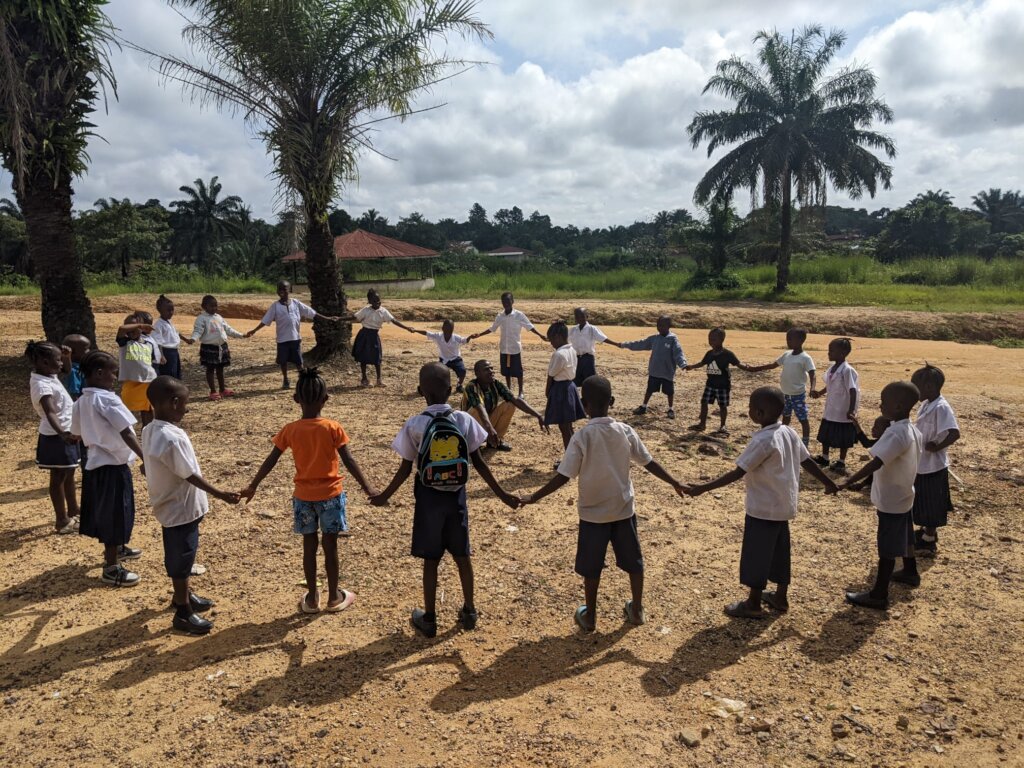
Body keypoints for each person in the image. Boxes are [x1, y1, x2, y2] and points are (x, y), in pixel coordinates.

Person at [519, 375, 686, 632]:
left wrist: (534, 497)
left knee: (592, 568)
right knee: (634, 561)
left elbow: (564, 476)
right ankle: (638, 609)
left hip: (592, 515)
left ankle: (590, 617)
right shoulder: (625, 431)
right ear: (612, 401)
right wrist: (674, 482)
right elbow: (649, 462)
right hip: (623, 510)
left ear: (584, 405)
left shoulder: (581, 437)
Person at [371, 362, 520, 638]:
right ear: (451, 390)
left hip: (428, 500)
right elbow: (479, 464)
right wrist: (503, 495)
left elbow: (405, 470)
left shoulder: (415, 424)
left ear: (420, 391)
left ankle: (429, 618)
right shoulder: (463, 420)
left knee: (431, 559)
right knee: (463, 555)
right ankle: (470, 610)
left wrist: (383, 497)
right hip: (457, 499)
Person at [682, 387, 838, 618]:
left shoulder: (764, 440)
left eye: (750, 409)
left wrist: (702, 488)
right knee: (779, 552)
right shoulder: (789, 432)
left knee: (757, 555)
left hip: (763, 509)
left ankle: (753, 603)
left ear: (760, 413)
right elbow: (807, 462)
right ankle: (780, 597)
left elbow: (738, 472)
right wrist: (828, 483)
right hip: (784, 507)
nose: (748, 412)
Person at [241, 367, 378, 613]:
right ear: (326, 399)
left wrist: (253, 485)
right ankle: (334, 597)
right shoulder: (333, 427)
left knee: (309, 545)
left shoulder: (290, 430)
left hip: (303, 497)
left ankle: (313, 598)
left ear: (296, 399)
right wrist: (368, 487)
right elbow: (349, 461)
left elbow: (271, 459)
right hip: (331, 495)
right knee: (331, 545)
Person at [142, 376, 241, 634]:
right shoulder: (169, 438)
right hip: (179, 508)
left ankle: (182, 595)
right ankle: (183, 613)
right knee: (181, 557)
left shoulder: (151, 429)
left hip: (172, 505)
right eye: (184, 403)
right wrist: (221, 493)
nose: (186, 408)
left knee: (185, 553)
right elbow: (189, 474)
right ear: (174, 403)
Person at [840, 381, 923, 609]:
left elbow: (876, 462)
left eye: (883, 402)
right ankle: (910, 571)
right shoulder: (911, 429)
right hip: (904, 493)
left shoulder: (896, 433)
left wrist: (848, 480)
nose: (880, 405)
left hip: (892, 499)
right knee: (906, 535)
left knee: (887, 547)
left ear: (897, 406)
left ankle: (878, 594)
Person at [71, 350, 146, 587]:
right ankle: (111, 567)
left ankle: (119, 548)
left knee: (110, 511)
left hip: (94, 465)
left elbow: (76, 433)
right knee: (116, 513)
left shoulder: (81, 401)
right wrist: (146, 458)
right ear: (100, 373)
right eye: (113, 373)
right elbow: (126, 430)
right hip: (113, 466)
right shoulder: (108, 399)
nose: (115, 378)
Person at [27, 341, 82, 534]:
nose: (60, 364)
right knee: (58, 477)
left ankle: (74, 509)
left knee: (69, 472)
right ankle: (61, 520)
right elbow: (50, 412)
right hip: (56, 436)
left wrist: (66, 358)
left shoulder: (48, 375)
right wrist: (63, 434)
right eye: (57, 360)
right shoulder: (41, 384)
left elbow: (66, 371)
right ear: (43, 362)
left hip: (66, 432)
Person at [246, 280, 342, 389]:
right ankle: (286, 379)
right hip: (282, 340)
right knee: (283, 361)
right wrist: (254, 330)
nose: (281, 291)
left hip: (295, 338)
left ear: (289, 290)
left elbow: (311, 312)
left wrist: (328, 318)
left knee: (298, 361)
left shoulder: (296, 303)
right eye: (279, 289)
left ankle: (302, 379)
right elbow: (265, 320)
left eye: (284, 289)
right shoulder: (275, 306)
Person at [910, 364, 960, 556]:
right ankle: (925, 532)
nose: (915, 391)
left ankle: (929, 541)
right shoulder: (926, 404)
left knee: (932, 503)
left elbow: (954, 433)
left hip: (934, 465)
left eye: (917, 386)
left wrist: (937, 446)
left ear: (929, 387)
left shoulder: (941, 407)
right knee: (922, 499)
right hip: (923, 464)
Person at [467, 292, 547, 397]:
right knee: (506, 371)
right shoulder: (500, 316)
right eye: (504, 302)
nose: (506, 304)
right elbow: (492, 328)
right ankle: (508, 390)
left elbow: (530, 326)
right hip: (504, 348)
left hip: (514, 348)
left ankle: (521, 391)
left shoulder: (519, 315)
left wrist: (540, 335)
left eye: (508, 301)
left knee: (518, 372)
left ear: (512, 301)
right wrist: (479, 334)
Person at [746, 328, 816, 447]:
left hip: (798, 394)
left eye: (790, 338)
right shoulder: (786, 354)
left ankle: (805, 442)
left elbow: (813, 374)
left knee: (803, 419)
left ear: (801, 340)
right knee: (785, 418)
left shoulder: (806, 358)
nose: (788, 341)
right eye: (787, 338)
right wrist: (755, 368)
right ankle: (783, 438)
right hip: (785, 394)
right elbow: (773, 365)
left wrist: (812, 388)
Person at [461, 359, 548, 451]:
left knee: (509, 404)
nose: (491, 371)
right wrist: (490, 428)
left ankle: (495, 441)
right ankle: (474, 444)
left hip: (485, 423)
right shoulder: (472, 386)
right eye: (487, 369)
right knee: (476, 409)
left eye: (491, 368)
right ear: (477, 373)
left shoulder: (495, 383)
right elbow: (480, 408)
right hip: (469, 427)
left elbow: (515, 400)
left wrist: (538, 415)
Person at [685, 327, 753, 435]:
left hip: (723, 385)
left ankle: (723, 425)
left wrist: (749, 368)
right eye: (709, 338)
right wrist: (691, 367)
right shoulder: (709, 354)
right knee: (704, 402)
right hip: (710, 384)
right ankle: (702, 424)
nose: (711, 341)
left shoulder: (727, 354)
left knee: (722, 406)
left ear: (721, 340)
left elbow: (739, 364)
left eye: (714, 339)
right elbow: (702, 363)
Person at [621, 315, 686, 419]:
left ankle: (670, 409)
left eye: (662, 325)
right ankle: (644, 406)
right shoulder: (655, 338)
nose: (660, 327)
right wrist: (624, 345)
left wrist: (683, 364)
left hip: (667, 372)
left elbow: (678, 353)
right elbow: (640, 344)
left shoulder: (673, 340)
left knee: (669, 392)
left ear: (669, 326)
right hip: (654, 371)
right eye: (658, 325)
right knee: (649, 389)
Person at [811, 337, 859, 473]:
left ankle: (841, 461)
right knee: (826, 433)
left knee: (843, 435)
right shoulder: (833, 368)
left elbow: (853, 390)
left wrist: (851, 409)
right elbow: (830, 385)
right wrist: (819, 393)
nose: (829, 353)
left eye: (831, 351)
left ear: (842, 353)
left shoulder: (847, 370)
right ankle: (825, 457)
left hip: (843, 409)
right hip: (831, 407)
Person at [349, 288, 415, 387]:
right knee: (363, 358)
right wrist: (339, 318)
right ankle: (364, 379)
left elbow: (394, 320)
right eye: (375, 301)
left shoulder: (383, 311)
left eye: (379, 300)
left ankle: (379, 380)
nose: (378, 303)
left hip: (374, 336)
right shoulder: (365, 310)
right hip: (364, 335)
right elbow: (354, 317)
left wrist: (406, 328)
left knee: (377, 358)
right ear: (370, 301)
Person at [186, 294, 246, 401]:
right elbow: (198, 331)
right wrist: (193, 339)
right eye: (211, 306)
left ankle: (222, 389)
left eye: (215, 306)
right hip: (209, 348)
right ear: (204, 306)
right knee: (210, 369)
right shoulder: (201, 318)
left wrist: (241, 335)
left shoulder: (219, 317)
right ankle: (213, 391)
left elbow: (228, 329)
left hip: (222, 347)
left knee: (220, 369)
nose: (214, 308)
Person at [544, 321, 586, 450]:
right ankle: (574, 454)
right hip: (570, 387)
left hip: (560, 389)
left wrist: (548, 393)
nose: (551, 343)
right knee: (568, 426)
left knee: (564, 427)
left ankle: (570, 458)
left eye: (551, 339)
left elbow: (551, 375)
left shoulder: (559, 354)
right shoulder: (572, 350)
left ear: (558, 336)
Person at [116, 313, 159, 427]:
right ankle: (127, 433)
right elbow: (121, 329)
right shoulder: (124, 342)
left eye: (134, 327)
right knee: (126, 410)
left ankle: (147, 432)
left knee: (147, 410)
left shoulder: (149, 343)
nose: (131, 330)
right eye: (129, 327)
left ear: (141, 329)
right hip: (131, 382)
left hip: (148, 381)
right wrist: (139, 325)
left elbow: (152, 362)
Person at [407, 318, 471, 393]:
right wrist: (415, 330)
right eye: (447, 328)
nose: (448, 330)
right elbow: (427, 333)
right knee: (437, 374)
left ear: (453, 329)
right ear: (443, 328)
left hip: (455, 359)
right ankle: (430, 387)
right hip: (443, 359)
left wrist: (471, 337)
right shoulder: (438, 336)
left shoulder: (456, 337)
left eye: (450, 329)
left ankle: (459, 385)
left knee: (462, 371)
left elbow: (465, 340)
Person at [568, 307, 619, 388]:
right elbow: (563, 338)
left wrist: (616, 344)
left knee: (590, 381)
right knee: (575, 381)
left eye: (582, 316)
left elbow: (603, 338)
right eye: (577, 316)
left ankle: (589, 399)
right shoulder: (573, 330)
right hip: (576, 359)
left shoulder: (592, 329)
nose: (579, 318)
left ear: (587, 317)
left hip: (588, 359)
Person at [152, 295, 183, 379]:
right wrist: (161, 355)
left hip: (174, 352)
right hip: (166, 352)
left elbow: (176, 333)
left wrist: (186, 339)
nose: (171, 312)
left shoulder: (169, 322)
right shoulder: (158, 325)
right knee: (169, 373)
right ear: (160, 311)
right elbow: (158, 342)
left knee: (175, 372)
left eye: (172, 310)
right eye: (168, 310)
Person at [60, 333, 91, 400]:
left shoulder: (81, 366)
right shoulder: (73, 371)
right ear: (72, 352)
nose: (89, 351)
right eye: (86, 349)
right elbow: (74, 395)